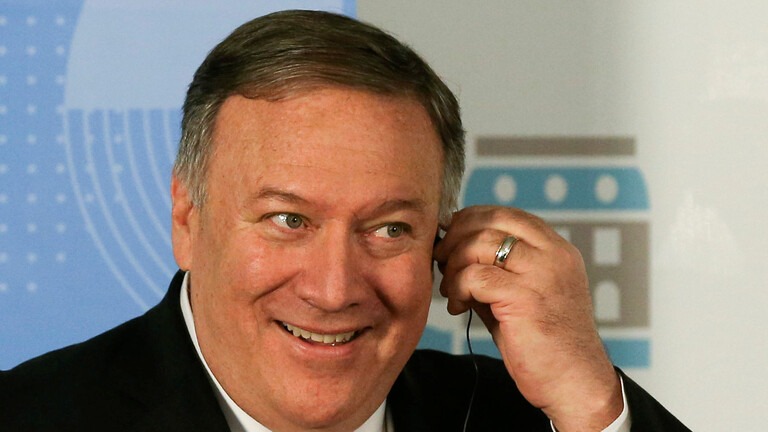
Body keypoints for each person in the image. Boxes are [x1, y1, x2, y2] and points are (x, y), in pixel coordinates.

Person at [0, 9, 689, 432]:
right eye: (288, 219)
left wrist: (589, 403)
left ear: (445, 243)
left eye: (389, 229)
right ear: (187, 218)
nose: (334, 290)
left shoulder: (537, 420)